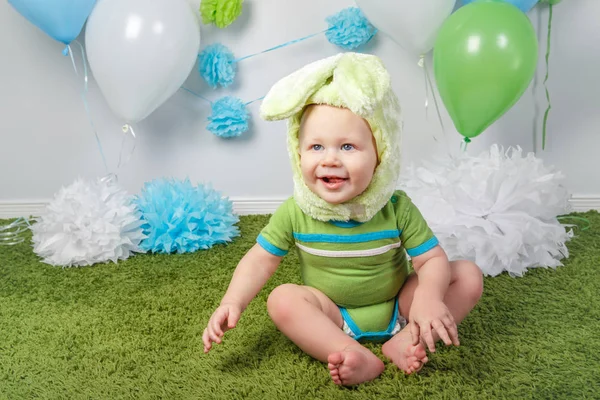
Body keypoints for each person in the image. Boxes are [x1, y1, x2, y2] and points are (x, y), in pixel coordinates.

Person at [202, 52, 483, 386]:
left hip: (400, 306)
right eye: (316, 147)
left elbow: (430, 259)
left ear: (381, 153)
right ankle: (348, 350)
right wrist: (232, 301)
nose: (330, 159)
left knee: (466, 274)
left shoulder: (395, 207)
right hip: (332, 313)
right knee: (283, 300)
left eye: (348, 147)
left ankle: (407, 339)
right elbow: (260, 260)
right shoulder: (296, 211)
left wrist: (427, 298)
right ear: (298, 152)